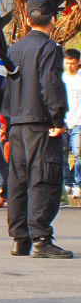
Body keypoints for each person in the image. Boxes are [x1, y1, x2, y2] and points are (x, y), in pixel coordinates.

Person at [4, 0, 71, 258]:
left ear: (28, 19)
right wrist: (57, 119)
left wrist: (6, 120)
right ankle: (41, 238)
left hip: (16, 123)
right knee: (44, 178)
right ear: (53, 19)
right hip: (40, 123)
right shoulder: (50, 48)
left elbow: (5, 87)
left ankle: (20, 238)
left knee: (18, 180)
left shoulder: (13, 49)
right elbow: (51, 85)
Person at [63, 48, 81, 198]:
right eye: (67, 63)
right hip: (62, 122)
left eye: (73, 63)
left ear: (78, 63)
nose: (70, 66)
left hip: (78, 122)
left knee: (78, 154)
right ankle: (66, 182)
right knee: (61, 154)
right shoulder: (60, 78)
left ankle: (77, 183)